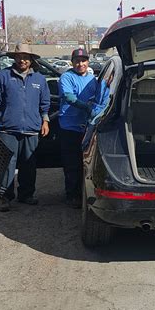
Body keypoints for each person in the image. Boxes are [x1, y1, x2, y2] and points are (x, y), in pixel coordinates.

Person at [0, 44, 50, 211]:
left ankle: (26, 194)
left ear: (31, 60)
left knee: (29, 164)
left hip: (32, 129)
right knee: (7, 165)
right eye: (19, 56)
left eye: (26, 57)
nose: (22, 60)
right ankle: (4, 197)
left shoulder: (39, 79)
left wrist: (45, 121)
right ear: (14, 58)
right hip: (7, 129)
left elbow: (45, 104)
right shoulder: (2, 76)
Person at [58, 48, 97, 208]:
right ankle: (72, 195)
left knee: (86, 164)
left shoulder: (93, 79)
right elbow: (68, 96)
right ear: (72, 62)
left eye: (83, 60)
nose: (80, 64)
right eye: (77, 61)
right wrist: (86, 107)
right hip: (70, 127)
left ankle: (84, 193)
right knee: (72, 164)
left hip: (88, 127)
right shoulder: (66, 77)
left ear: (88, 62)